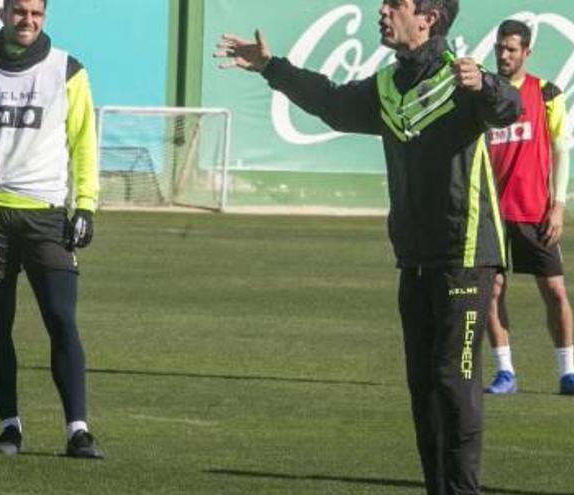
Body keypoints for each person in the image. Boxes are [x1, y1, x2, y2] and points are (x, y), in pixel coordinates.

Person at [216, 1, 521, 493]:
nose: (382, 10)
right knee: (423, 392)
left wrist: (485, 83)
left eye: (395, 4)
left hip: (463, 257)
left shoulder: (461, 78)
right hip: (415, 260)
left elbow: (509, 107)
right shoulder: (388, 87)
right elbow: (333, 104)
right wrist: (272, 67)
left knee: (453, 383)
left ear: (428, 18)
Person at [0, 0, 102, 458]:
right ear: (2, 13)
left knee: (62, 321)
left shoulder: (67, 70)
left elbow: (83, 143)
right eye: (18, 11)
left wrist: (85, 204)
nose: (26, 20)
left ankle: (78, 430)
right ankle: (9, 427)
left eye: (36, 13)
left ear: (43, 16)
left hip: (48, 214)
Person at [483, 20, 574, 397]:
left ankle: (568, 373)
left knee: (555, 291)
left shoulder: (546, 92)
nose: (504, 55)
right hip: (492, 214)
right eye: (500, 47)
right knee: (492, 291)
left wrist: (558, 205)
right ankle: (505, 373)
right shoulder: (483, 93)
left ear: (526, 52)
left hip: (535, 211)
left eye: (512, 49)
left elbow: (562, 148)